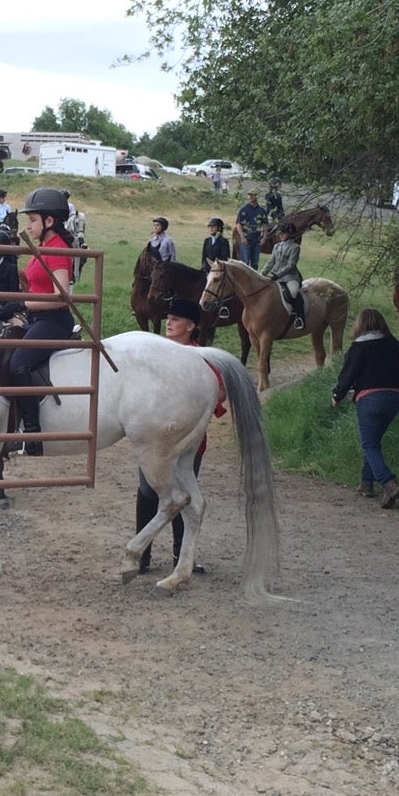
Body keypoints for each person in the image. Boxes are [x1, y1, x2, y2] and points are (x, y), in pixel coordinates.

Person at [133, 296, 224, 575]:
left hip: (188, 440)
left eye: (176, 319)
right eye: (168, 318)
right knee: (148, 491)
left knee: (183, 493)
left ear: (191, 326)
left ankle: (180, 556)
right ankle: (142, 556)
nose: (169, 322)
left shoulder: (203, 358)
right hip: (154, 438)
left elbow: (219, 393)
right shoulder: (154, 352)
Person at [8, 187, 77, 456]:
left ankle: (33, 435)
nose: (28, 225)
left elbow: (61, 297)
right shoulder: (44, 247)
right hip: (36, 317)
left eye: (33, 220)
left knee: (18, 364)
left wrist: (22, 304)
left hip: (53, 320)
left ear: (49, 221)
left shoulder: (57, 249)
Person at [331, 308, 399, 509]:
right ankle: (366, 483)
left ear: (360, 325)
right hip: (394, 398)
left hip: (370, 400)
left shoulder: (359, 347)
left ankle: (388, 483)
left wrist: (337, 395)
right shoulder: (395, 345)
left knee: (369, 444)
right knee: (374, 441)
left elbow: (347, 375)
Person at [262, 221, 306, 330]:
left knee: (293, 292)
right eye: (280, 233)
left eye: (283, 233)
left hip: (290, 277)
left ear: (290, 234)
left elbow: (291, 265)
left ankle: (299, 317)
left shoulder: (295, 247)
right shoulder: (276, 246)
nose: (280, 235)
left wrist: (277, 275)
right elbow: (271, 262)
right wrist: (261, 274)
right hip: (276, 276)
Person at [236, 192, 266, 269]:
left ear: (256, 196)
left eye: (253, 195)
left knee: (255, 263)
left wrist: (264, 238)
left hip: (257, 240)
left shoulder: (262, 211)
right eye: (249, 195)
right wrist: (242, 237)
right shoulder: (243, 210)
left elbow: (265, 225)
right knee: (245, 262)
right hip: (246, 240)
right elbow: (238, 224)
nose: (251, 197)